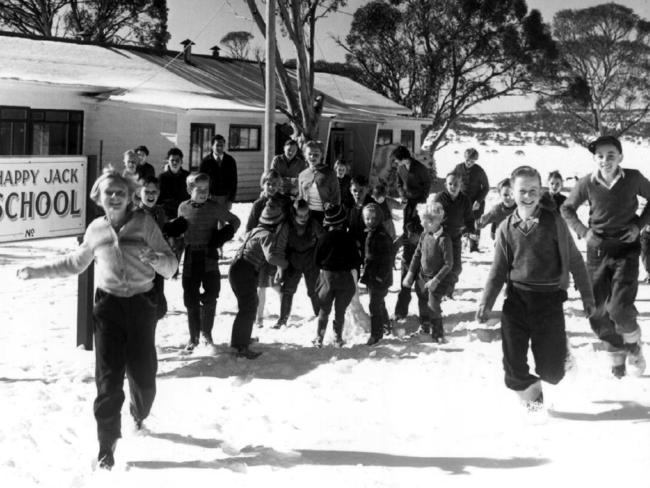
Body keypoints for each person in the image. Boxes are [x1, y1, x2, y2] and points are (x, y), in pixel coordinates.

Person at [17, 167, 178, 470]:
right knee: (108, 380)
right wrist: (37, 270)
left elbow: (171, 267)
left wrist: (156, 260)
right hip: (108, 309)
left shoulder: (145, 223)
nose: (114, 197)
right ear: (98, 198)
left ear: (131, 196)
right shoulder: (95, 230)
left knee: (144, 380)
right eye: (109, 193)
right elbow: (75, 263)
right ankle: (107, 445)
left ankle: (139, 411)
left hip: (142, 306)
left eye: (120, 192)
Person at [477, 165, 595, 410]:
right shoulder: (506, 228)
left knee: (552, 372)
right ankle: (535, 412)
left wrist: (587, 297)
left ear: (541, 192)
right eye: (523, 190)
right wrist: (486, 303)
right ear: (512, 190)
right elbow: (498, 270)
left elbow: (575, 260)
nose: (528, 195)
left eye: (533, 190)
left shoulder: (554, 222)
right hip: (517, 300)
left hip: (549, 300)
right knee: (512, 367)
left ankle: (561, 355)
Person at [561, 135, 650, 378]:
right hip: (597, 252)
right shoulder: (587, 183)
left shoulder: (633, 178)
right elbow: (566, 208)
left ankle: (633, 345)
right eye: (600, 156)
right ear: (594, 159)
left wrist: (639, 225)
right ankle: (616, 354)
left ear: (620, 157)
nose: (605, 160)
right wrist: (583, 232)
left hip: (626, 249)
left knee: (618, 308)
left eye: (611, 155)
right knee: (597, 311)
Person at [177, 173, 241, 352]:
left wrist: (224, 234)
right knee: (190, 297)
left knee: (211, 294)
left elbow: (235, 220)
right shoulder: (183, 207)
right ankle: (193, 337)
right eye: (199, 189)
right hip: (190, 256)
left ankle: (206, 333)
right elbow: (181, 235)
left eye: (207, 189)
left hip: (209, 255)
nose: (204, 192)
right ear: (189, 189)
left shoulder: (214, 207)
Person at [229, 202, 289, 358]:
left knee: (248, 305)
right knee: (248, 307)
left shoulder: (255, 231)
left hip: (236, 269)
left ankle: (240, 340)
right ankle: (241, 347)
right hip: (245, 271)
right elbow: (271, 257)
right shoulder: (267, 235)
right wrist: (285, 264)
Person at [402, 196, 453, 342]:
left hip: (437, 279)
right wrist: (411, 274)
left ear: (434, 222)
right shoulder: (425, 235)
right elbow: (417, 255)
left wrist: (436, 280)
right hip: (422, 277)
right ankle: (425, 324)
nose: (422, 226)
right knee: (422, 300)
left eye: (425, 223)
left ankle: (438, 332)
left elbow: (448, 264)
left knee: (433, 304)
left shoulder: (444, 240)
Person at [245, 170, 291, 327]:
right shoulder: (258, 204)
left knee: (276, 283)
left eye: (275, 184)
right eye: (268, 184)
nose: (271, 187)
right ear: (263, 184)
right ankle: (259, 318)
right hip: (260, 250)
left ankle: (284, 313)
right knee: (261, 285)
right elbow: (249, 228)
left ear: (280, 186)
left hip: (278, 247)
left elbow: (290, 221)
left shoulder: (285, 202)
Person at [313, 204, 363, 347]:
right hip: (345, 279)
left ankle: (319, 336)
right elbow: (356, 261)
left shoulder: (323, 238)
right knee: (340, 310)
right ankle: (337, 337)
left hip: (327, 278)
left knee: (324, 309)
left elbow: (316, 260)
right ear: (342, 222)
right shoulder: (349, 239)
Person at [274, 199, 322, 328]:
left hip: (311, 260)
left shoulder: (313, 224)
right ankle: (283, 319)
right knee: (288, 290)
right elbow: (279, 247)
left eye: (306, 214)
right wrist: (280, 267)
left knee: (314, 290)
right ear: (293, 214)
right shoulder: (286, 226)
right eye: (300, 215)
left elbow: (323, 240)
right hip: (293, 260)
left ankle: (320, 316)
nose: (303, 218)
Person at [433, 172, 475, 295]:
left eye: (456, 184)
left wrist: (469, 231)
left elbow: (469, 218)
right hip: (441, 236)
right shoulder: (440, 197)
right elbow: (431, 215)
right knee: (443, 265)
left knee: (456, 267)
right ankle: (440, 290)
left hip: (456, 235)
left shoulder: (464, 199)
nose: (453, 186)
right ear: (446, 185)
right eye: (450, 184)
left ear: (460, 184)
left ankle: (448, 290)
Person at [361, 203, 394, 345]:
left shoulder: (381, 235)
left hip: (379, 277)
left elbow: (387, 259)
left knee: (374, 305)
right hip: (372, 276)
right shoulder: (371, 232)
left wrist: (381, 277)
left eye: (373, 219)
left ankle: (376, 334)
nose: (370, 221)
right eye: (367, 218)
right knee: (378, 301)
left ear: (379, 218)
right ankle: (385, 323)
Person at [453, 148, 489, 252]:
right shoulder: (458, 168)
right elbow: (453, 181)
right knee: (462, 222)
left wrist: (478, 200)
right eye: (468, 160)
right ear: (465, 158)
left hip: (476, 202)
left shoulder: (479, 171)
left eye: (472, 161)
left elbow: (486, 187)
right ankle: (462, 244)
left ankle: (474, 247)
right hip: (462, 201)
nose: (469, 163)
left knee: (476, 224)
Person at [298, 140, 340, 225]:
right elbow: (301, 196)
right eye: (309, 154)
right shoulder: (302, 175)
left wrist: (333, 215)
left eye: (316, 154)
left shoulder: (330, 173)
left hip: (325, 215)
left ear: (322, 155)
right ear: (305, 156)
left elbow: (336, 197)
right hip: (307, 214)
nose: (312, 157)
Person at [392, 145, 431, 232]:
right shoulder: (400, 168)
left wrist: (424, 197)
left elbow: (427, 183)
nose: (395, 161)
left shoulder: (420, 168)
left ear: (403, 158)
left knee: (416, 225)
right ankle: (406, 243)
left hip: (418, 200)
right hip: (406, 200)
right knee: (406, 225)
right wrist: (402, 196)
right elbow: (399, 184)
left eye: (397, 159)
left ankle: (418, 244)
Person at [393, 219, 426, 321]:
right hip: (407, 265)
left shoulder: (425, 239)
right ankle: (400, 313)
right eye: (408, 234)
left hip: (421, 268)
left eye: (412, 235)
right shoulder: (405, 237)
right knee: (404, 290)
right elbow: (394, 246)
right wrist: (392, 258)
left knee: (423, 292)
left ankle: (425, 317)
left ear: (419, 234)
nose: (409, 237)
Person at [198, 134, 238, 208]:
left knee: (223, 219)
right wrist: (203, 196)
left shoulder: (230, 161)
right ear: (212, 146)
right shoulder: (205, 161)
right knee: (210, 219)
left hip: (225, 198)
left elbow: (234, 181)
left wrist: (231, 199)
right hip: (210, 197)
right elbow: (200, 181)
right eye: (217, 145)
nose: (219, 147)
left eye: (221, 145)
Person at [158, 147, 190, 220]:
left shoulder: (188, 176)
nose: (175, 162)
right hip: (168, 214)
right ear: (168, 161)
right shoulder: (162, 178)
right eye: (172, 160)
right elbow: (160, 198)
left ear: (181, 161)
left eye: (177, 160)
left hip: (185, 213)